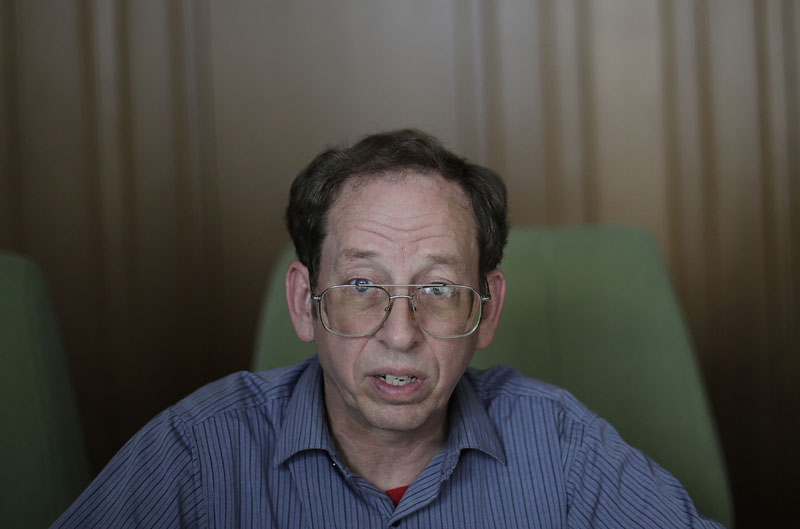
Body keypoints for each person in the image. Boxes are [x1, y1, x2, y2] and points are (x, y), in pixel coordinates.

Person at [51, 129, 724, 528]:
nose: (399, 333)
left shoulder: (563, 447)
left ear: (485, 309)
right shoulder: (197, 452)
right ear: (304, 300)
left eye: (437, 288)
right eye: (362, 286)